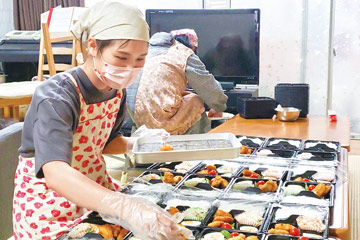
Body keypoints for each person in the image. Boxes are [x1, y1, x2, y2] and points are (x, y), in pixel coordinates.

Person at [12, 1, 191, 240]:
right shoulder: (57, 96)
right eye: (121, 57)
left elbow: (104, 143)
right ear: (93, 46)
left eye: (140, 59)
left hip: (96, 192)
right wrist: (124, 207)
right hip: (49, 205)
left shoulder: (116, 90)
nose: (130, 68)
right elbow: (54, 171)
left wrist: (135, 144)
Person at [124, 29, 228, 135]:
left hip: (133, 120)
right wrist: (218, 106)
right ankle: (198, 143)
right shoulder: (183, 53)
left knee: (183, 95)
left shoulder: (141, 51)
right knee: (195, 100)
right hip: (161, 122)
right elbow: (207, 85)